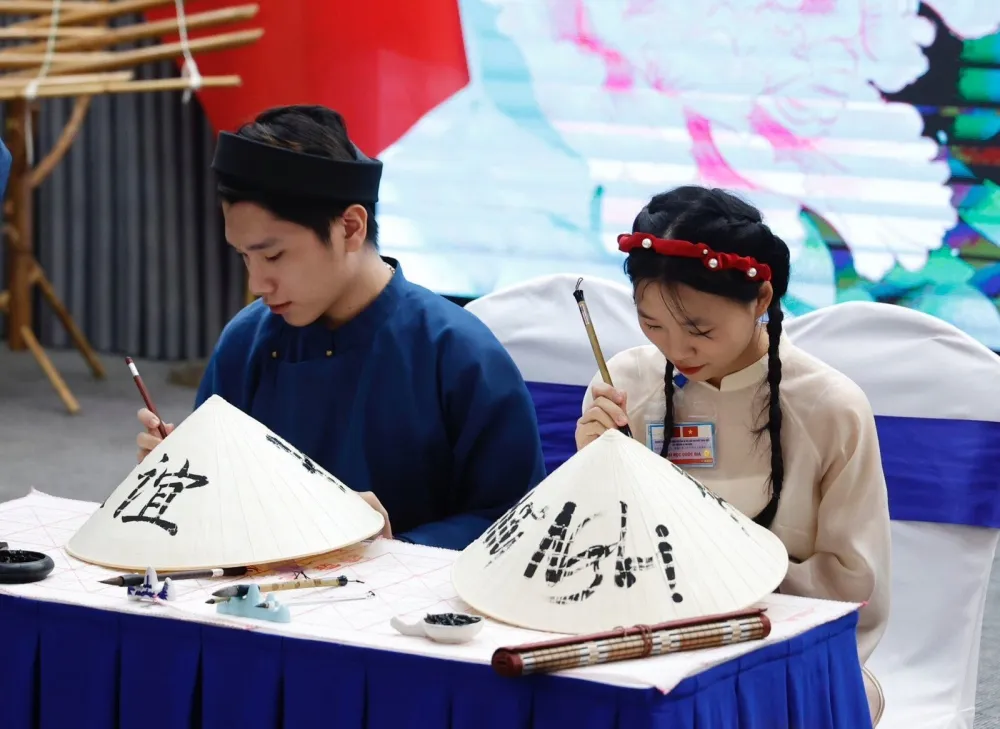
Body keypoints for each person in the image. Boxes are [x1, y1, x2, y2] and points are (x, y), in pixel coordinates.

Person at [135, 104, 546, 551]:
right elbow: (222, 511)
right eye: (245, 257)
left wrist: (393, 547)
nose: (257, 284)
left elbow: (519, 526)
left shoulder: (460, 354)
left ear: (350, 227)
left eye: (273, 255)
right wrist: (180, 481)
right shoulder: (245, 343)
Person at [574, 185, 891, 724]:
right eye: (652, 324)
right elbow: (588, 558)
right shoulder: (625, 386)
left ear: (761, 300)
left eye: (699, 329)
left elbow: (856, 589)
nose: (676, 349)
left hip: (783, 651)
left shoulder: (829, 408)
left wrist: (719, 585)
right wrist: (592, 468)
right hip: (647, 642)